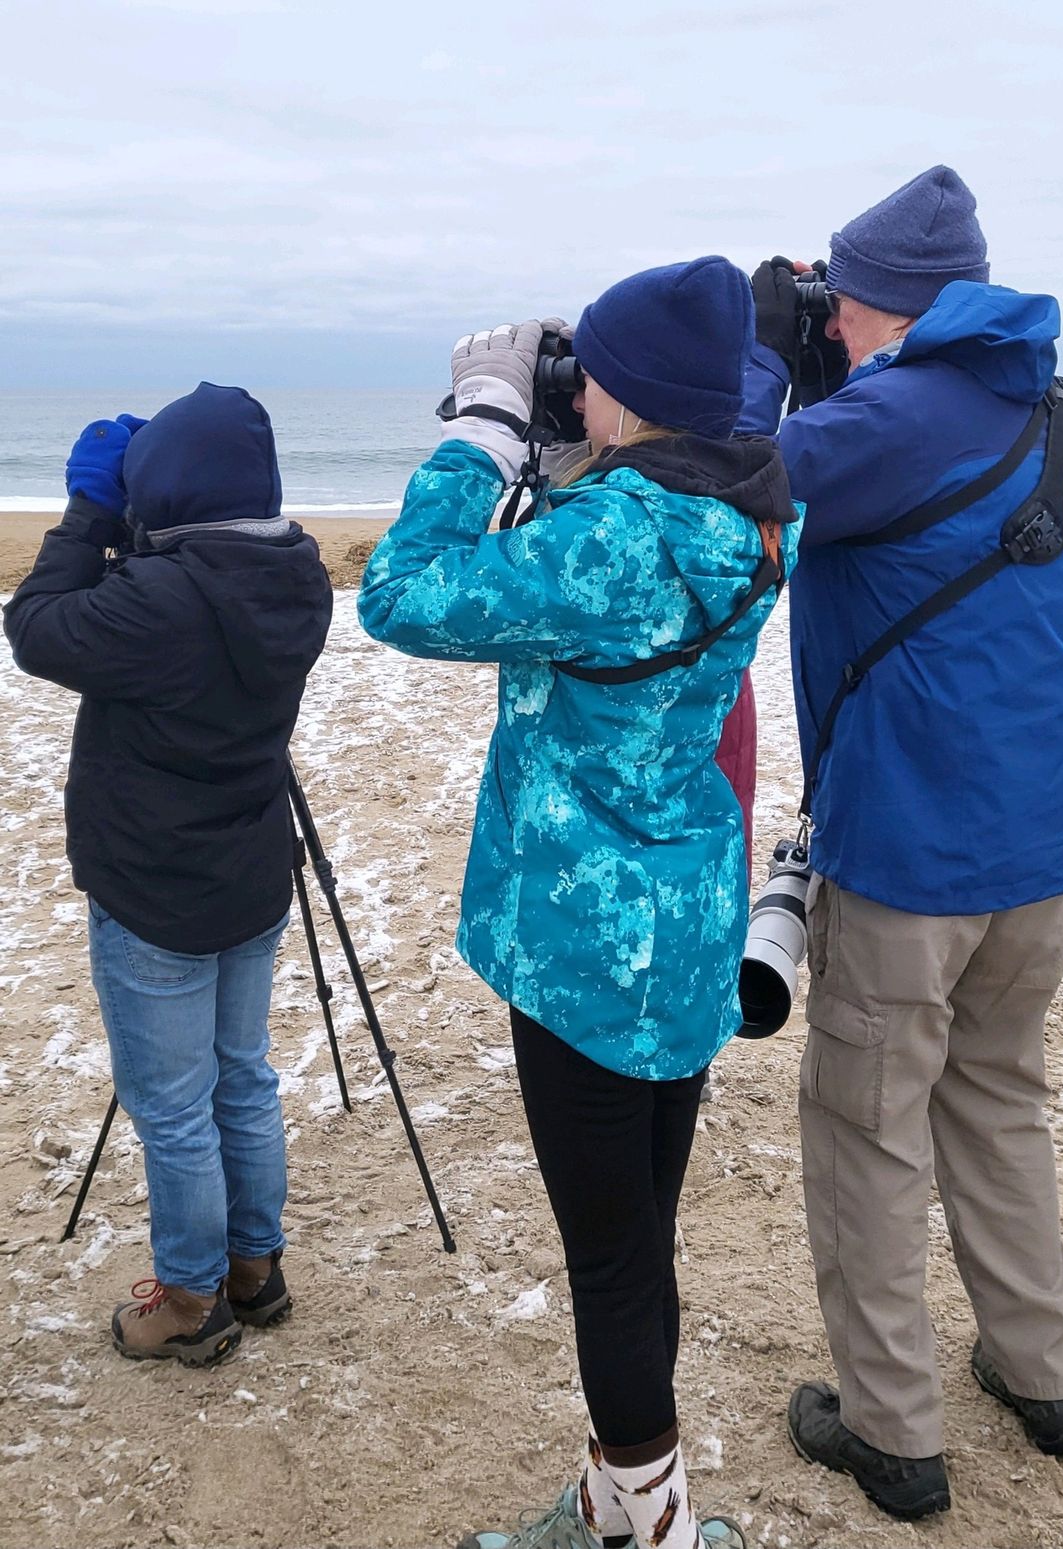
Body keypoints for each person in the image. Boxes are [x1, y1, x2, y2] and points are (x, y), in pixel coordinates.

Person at [359, 257, 799, 1549]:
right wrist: (571, 455)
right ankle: (624, 1509)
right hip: (689, 928)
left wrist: (489, 432)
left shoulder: (612, 542)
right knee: (638, 1239)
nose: (575, 383)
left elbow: (401, 592)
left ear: (638, 396)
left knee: (610, 1265)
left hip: (586, 951)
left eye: (590, 370)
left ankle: (647, 1534)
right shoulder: (759, 510)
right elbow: (614, 566)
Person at [739, 166, 1063, 1520]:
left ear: (876, 303)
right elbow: (897, 469)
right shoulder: (1051, 416)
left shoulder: (883, 412)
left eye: (838, 306)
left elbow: (738, 483)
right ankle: (1043, 1374)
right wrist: (829, 365)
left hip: (904, 860)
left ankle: (892, 1430)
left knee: (866, 1127)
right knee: (1000, 1101)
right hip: (1034, 853)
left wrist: (756, 361)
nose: (826, 325)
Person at [3, 384, 332, 1366]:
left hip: (156, 889)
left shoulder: (159, 600)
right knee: (242, 1079)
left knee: (176, 1107)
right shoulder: (296, 572)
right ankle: (254, 1268)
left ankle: (190, 1299)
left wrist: (92, 512)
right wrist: (147, 511)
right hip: (249, 869)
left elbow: (35, 627)